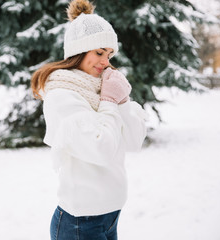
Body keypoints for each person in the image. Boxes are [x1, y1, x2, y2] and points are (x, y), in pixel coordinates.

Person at [31, 0, 148, 239]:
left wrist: (122, 100)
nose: (105, 61)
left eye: (109, 53)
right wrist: (109, 101)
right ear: (78, 51)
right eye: (99, 52)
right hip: (80, 222)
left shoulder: (102, 88)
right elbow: (100, 148)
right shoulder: (62, 95)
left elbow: (134, 142)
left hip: (111, 215)